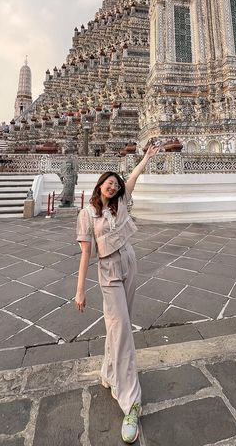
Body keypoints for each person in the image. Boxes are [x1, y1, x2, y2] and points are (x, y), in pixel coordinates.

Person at [75, 145, 159, 443]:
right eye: (107, 182)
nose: (112, 186)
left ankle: (110, 372)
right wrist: (80, 289)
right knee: (122, 329)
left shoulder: (120, 204)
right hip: (107, 271)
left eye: (116, 183)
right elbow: (86, 254)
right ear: (99, 185)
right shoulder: (87, 214)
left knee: (119, 327)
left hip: (129, 262)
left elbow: (133, 178)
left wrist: (146, 159)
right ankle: (131, 402)